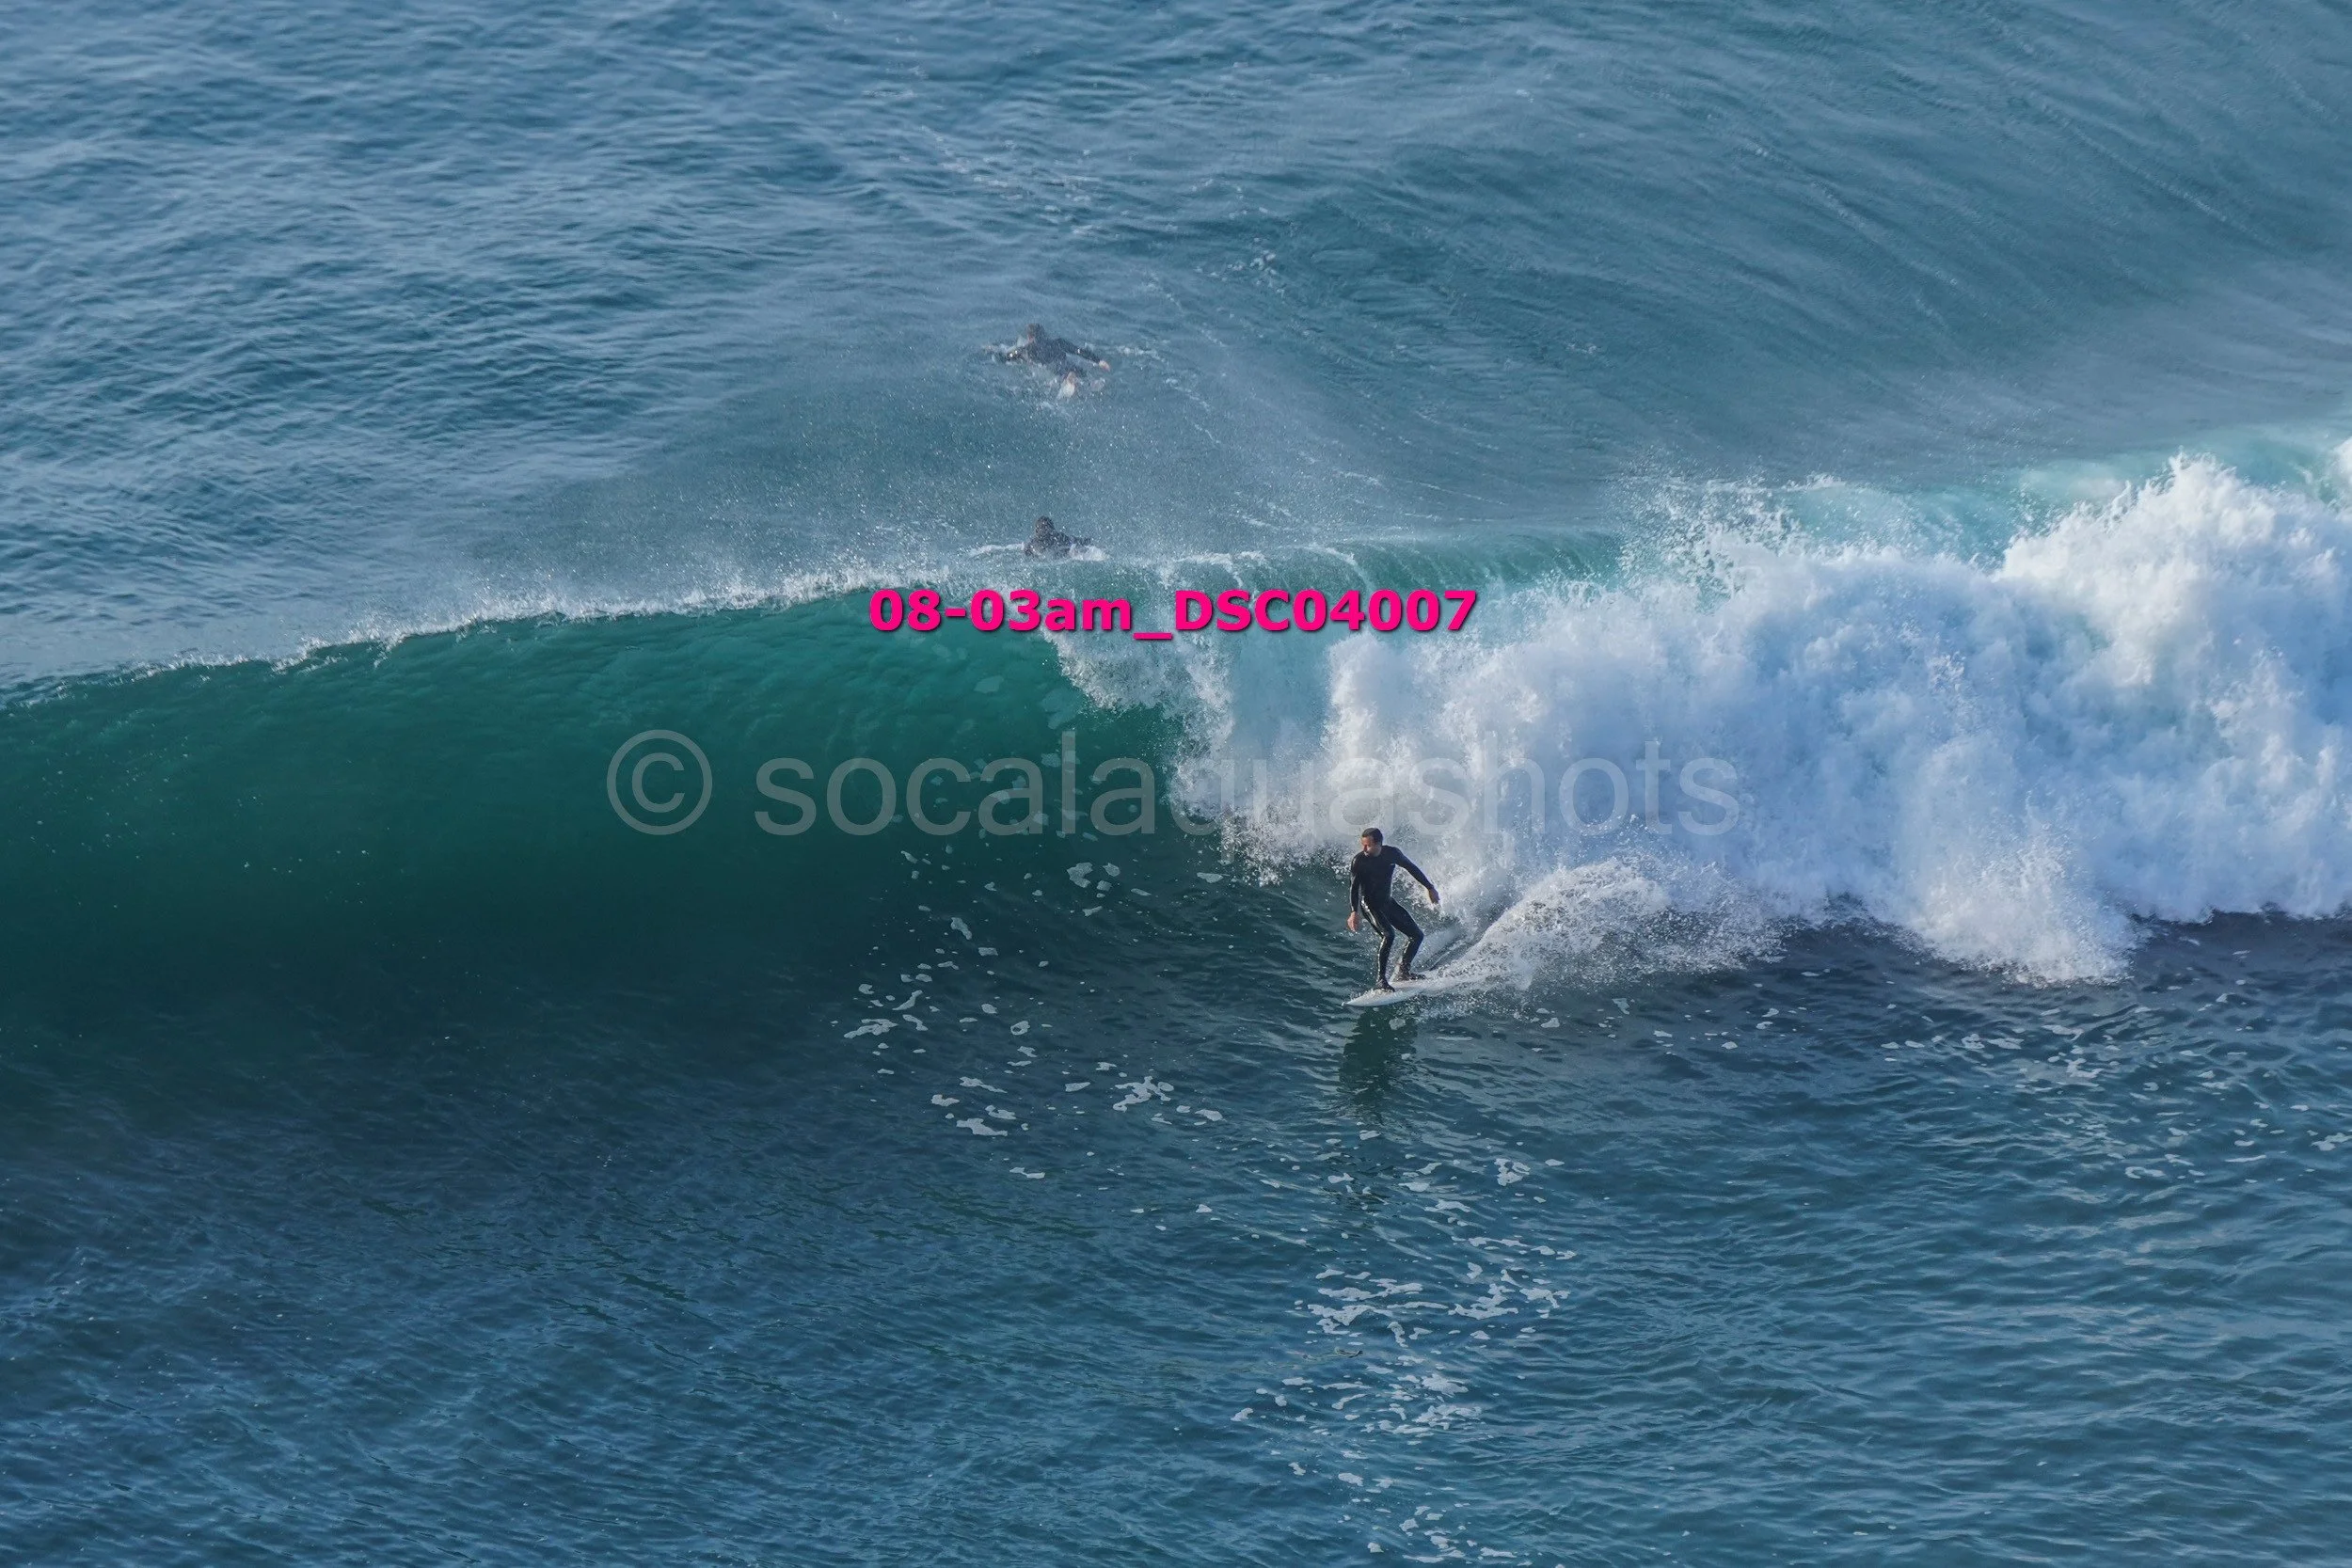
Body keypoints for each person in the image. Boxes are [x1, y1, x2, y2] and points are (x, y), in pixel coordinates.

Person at [1346, 827, 1439, 989]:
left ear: (1378, 844)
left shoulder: (1392, 854)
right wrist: (1354, 911)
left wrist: (1429, 887)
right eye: (1363, 845)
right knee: (1388, 935)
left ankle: (1404, 971)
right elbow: (1354, 888)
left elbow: (1412, 868)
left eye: (1367, 845)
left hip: (1387, 903)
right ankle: (1381, 980)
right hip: (1370, 905)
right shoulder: (1359, 860)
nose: (1364, 849)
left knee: (1417, 936)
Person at [1001, 324, 1111, 374]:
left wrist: (1001, 356)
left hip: (1054, 368)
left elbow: (1009, 356)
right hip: (1068, 364)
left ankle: (1069, 381)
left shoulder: (1029, 348)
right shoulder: (1059, 342)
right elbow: (1078, 351)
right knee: (1080, 374)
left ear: (1030, 337)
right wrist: (1099, 361)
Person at [1022, 515, 1090, 559]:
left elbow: (1072, 540)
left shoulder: (1057, 536)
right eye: (1042, 528)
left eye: (1046, 528)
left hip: (1058, 553)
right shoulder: (1032, 543)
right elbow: (1026, 552)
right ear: (1036, 530)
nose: (1044, 530)